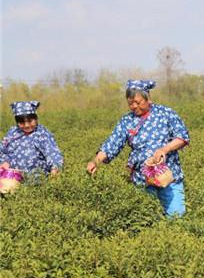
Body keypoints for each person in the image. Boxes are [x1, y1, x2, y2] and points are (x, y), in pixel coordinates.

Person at [86, 80, 190, 217]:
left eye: (138, 102)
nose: (134, 106)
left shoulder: (166, 113)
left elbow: (182, 137)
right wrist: (96, 161)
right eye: (130, 103)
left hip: (169, 176)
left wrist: (164, 149)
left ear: (148, 98)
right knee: (146, 219)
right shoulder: (127, 121)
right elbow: (111, 144)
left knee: (177, 217)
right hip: (142, 180)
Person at [0, 101, 63, 176]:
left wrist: (55, 168)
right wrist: (5, 161)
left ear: (36, 118)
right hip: (12, 175)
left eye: (30, 121)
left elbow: (52, 152)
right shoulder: (13, 132)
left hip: (37, 177)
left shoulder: (41, 133)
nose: (26, 125)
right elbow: (3, 150)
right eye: (22, 122)